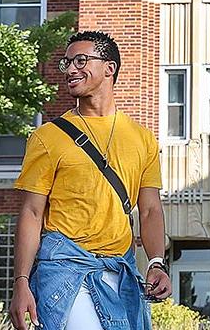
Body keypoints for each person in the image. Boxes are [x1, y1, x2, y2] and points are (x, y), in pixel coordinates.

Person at [9, 31, 171, 330]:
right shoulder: (48, 137)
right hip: (65, 268)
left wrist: (156, 263)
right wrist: (21, 282)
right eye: (67, 63)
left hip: (121, 270)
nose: (71, 69)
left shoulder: (142, 139)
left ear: (109, 68)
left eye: (81, 61)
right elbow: (31, 212)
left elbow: (150, 210)